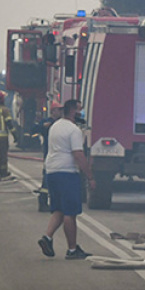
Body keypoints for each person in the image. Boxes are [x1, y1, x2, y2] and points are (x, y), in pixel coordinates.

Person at [37, 99, 96, 260]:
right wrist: (90, 176)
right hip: (67, 173)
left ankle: (47, 238)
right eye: (80, 110)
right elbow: (78, 154)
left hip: (52, 171)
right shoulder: (73, 130)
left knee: (59, 210)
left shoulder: (55, 126)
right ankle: (72, 250)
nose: (81, 113)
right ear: (73, 111)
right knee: (70, 212)